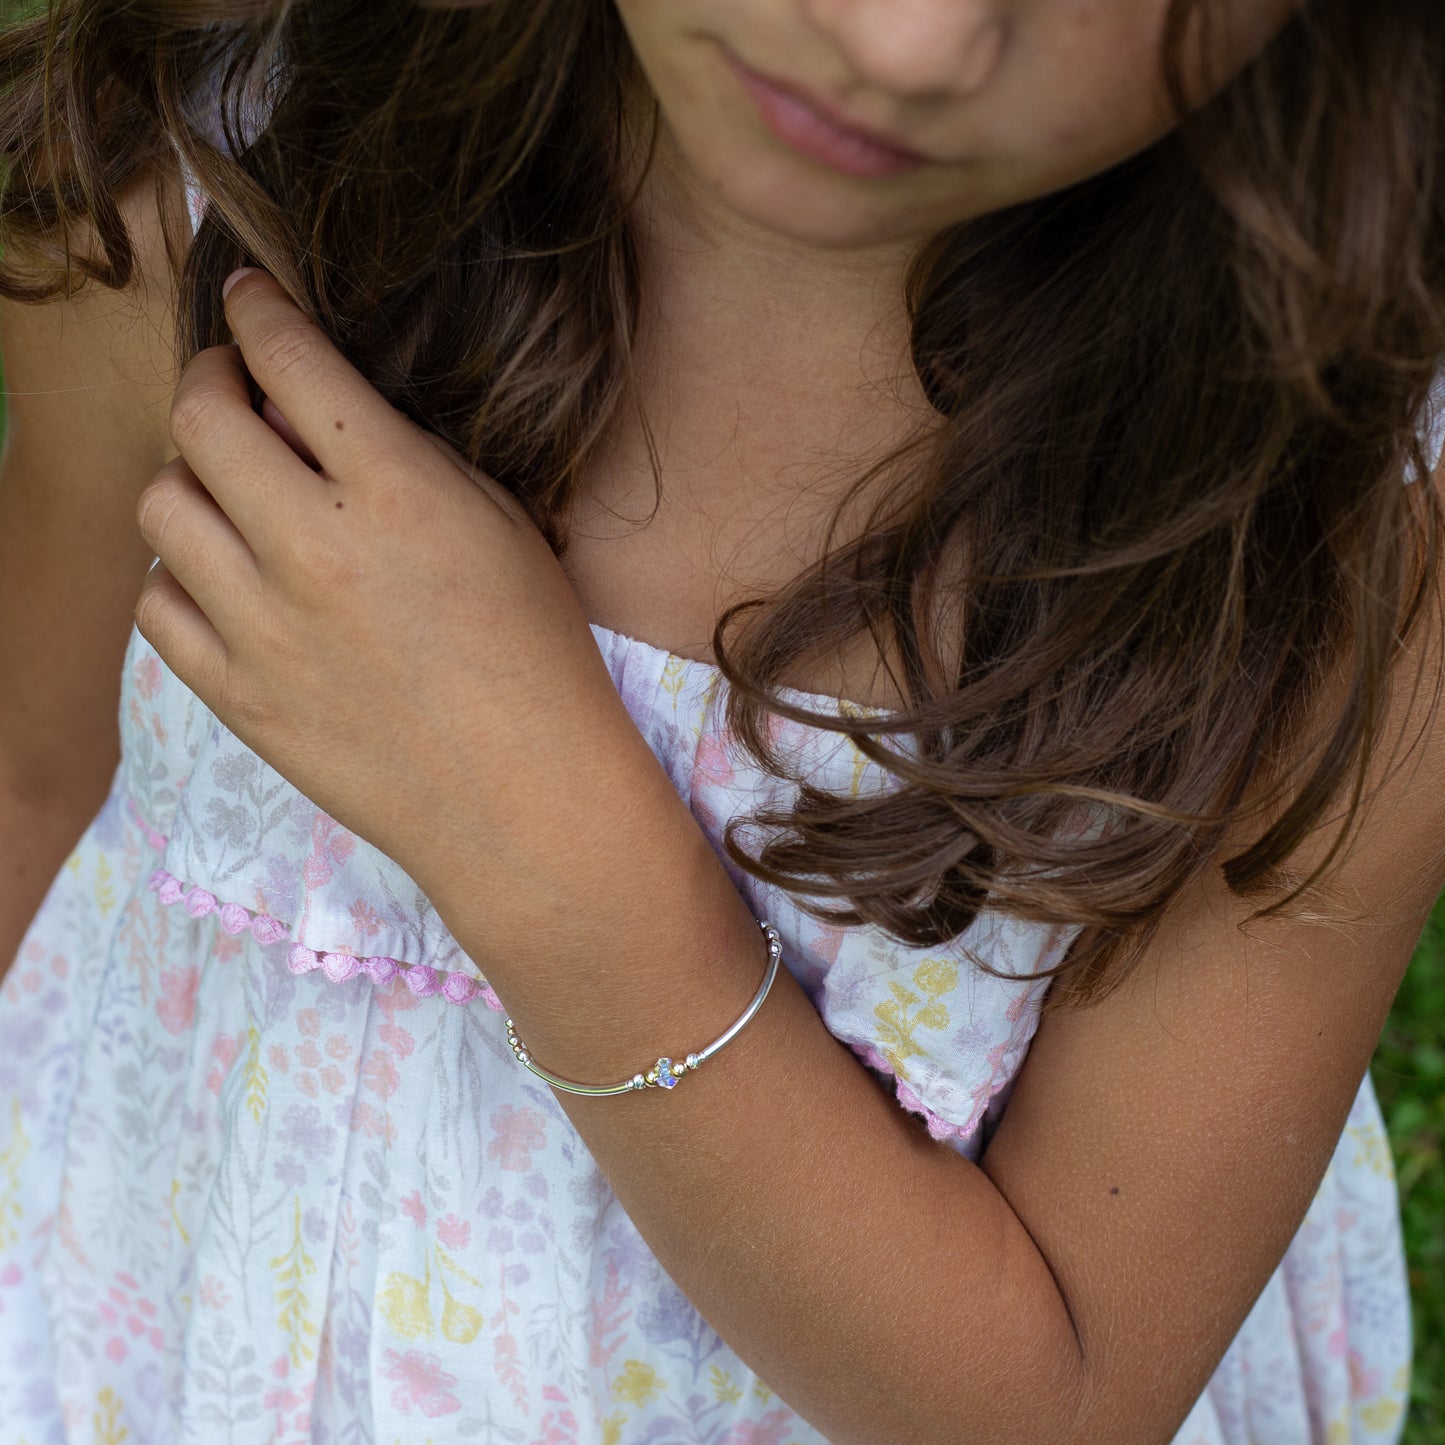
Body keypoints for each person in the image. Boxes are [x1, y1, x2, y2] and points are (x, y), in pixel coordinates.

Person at [0, 0, 1441, 1440]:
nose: (904, 44)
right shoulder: (209, 187)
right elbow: (34, 771)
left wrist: (556, 854)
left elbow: (1059, 1402)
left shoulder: (1343, 528)